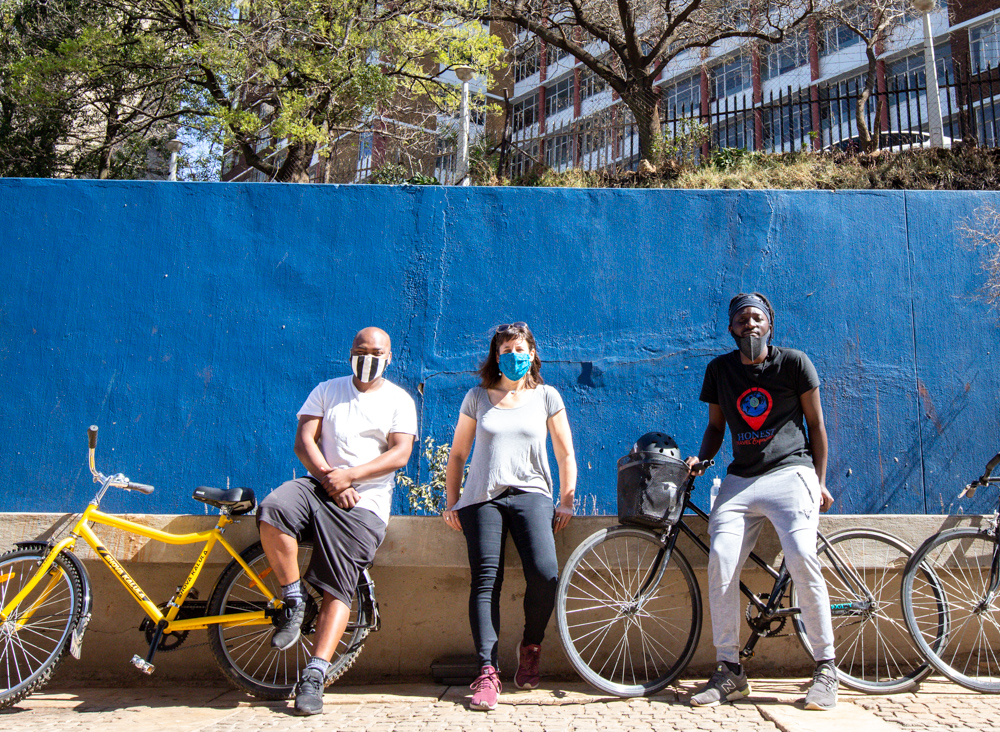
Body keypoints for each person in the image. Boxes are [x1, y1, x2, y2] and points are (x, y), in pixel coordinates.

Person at [686, 293, 837, 711]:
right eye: (741, 320)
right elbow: (716, 427)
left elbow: (816, 425)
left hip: (791, 472)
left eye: (756, 318)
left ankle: (826, 668)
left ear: (769, 324)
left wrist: (820, 481)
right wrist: (703, 460)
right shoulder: (719, 370)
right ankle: (730, 670)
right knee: (720, 561)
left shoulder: (794, 363)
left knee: (802, 554)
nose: (749, 325)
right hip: (741, 478)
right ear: (731, 329)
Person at [257, 327, 417, 716]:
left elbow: (400, 454)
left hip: (367, 502)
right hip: (320, 485)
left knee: (339, 581)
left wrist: (351, 477)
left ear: (389, 357)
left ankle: (314, 676)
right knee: (274, 509)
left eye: (376, 352)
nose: (368, 358)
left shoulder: (399, 400)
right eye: (361, 351)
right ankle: (293, 599)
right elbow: (304, 441)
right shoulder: (327, 390)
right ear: (350, 353)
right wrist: (332, 479)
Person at [442, 322, 576, 711]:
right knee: (486, 581)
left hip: (532, 495)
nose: (513, 357)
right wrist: (452, 501)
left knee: (546, 574)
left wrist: (567, 500)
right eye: (505, 351)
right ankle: (487, 671)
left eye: (520, 350)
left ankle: (531, 646)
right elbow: (457, 454)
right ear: (495, 356)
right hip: (482, 499)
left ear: (532, 354)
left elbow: (565, 452)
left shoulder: (547, 396)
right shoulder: (477, 397)